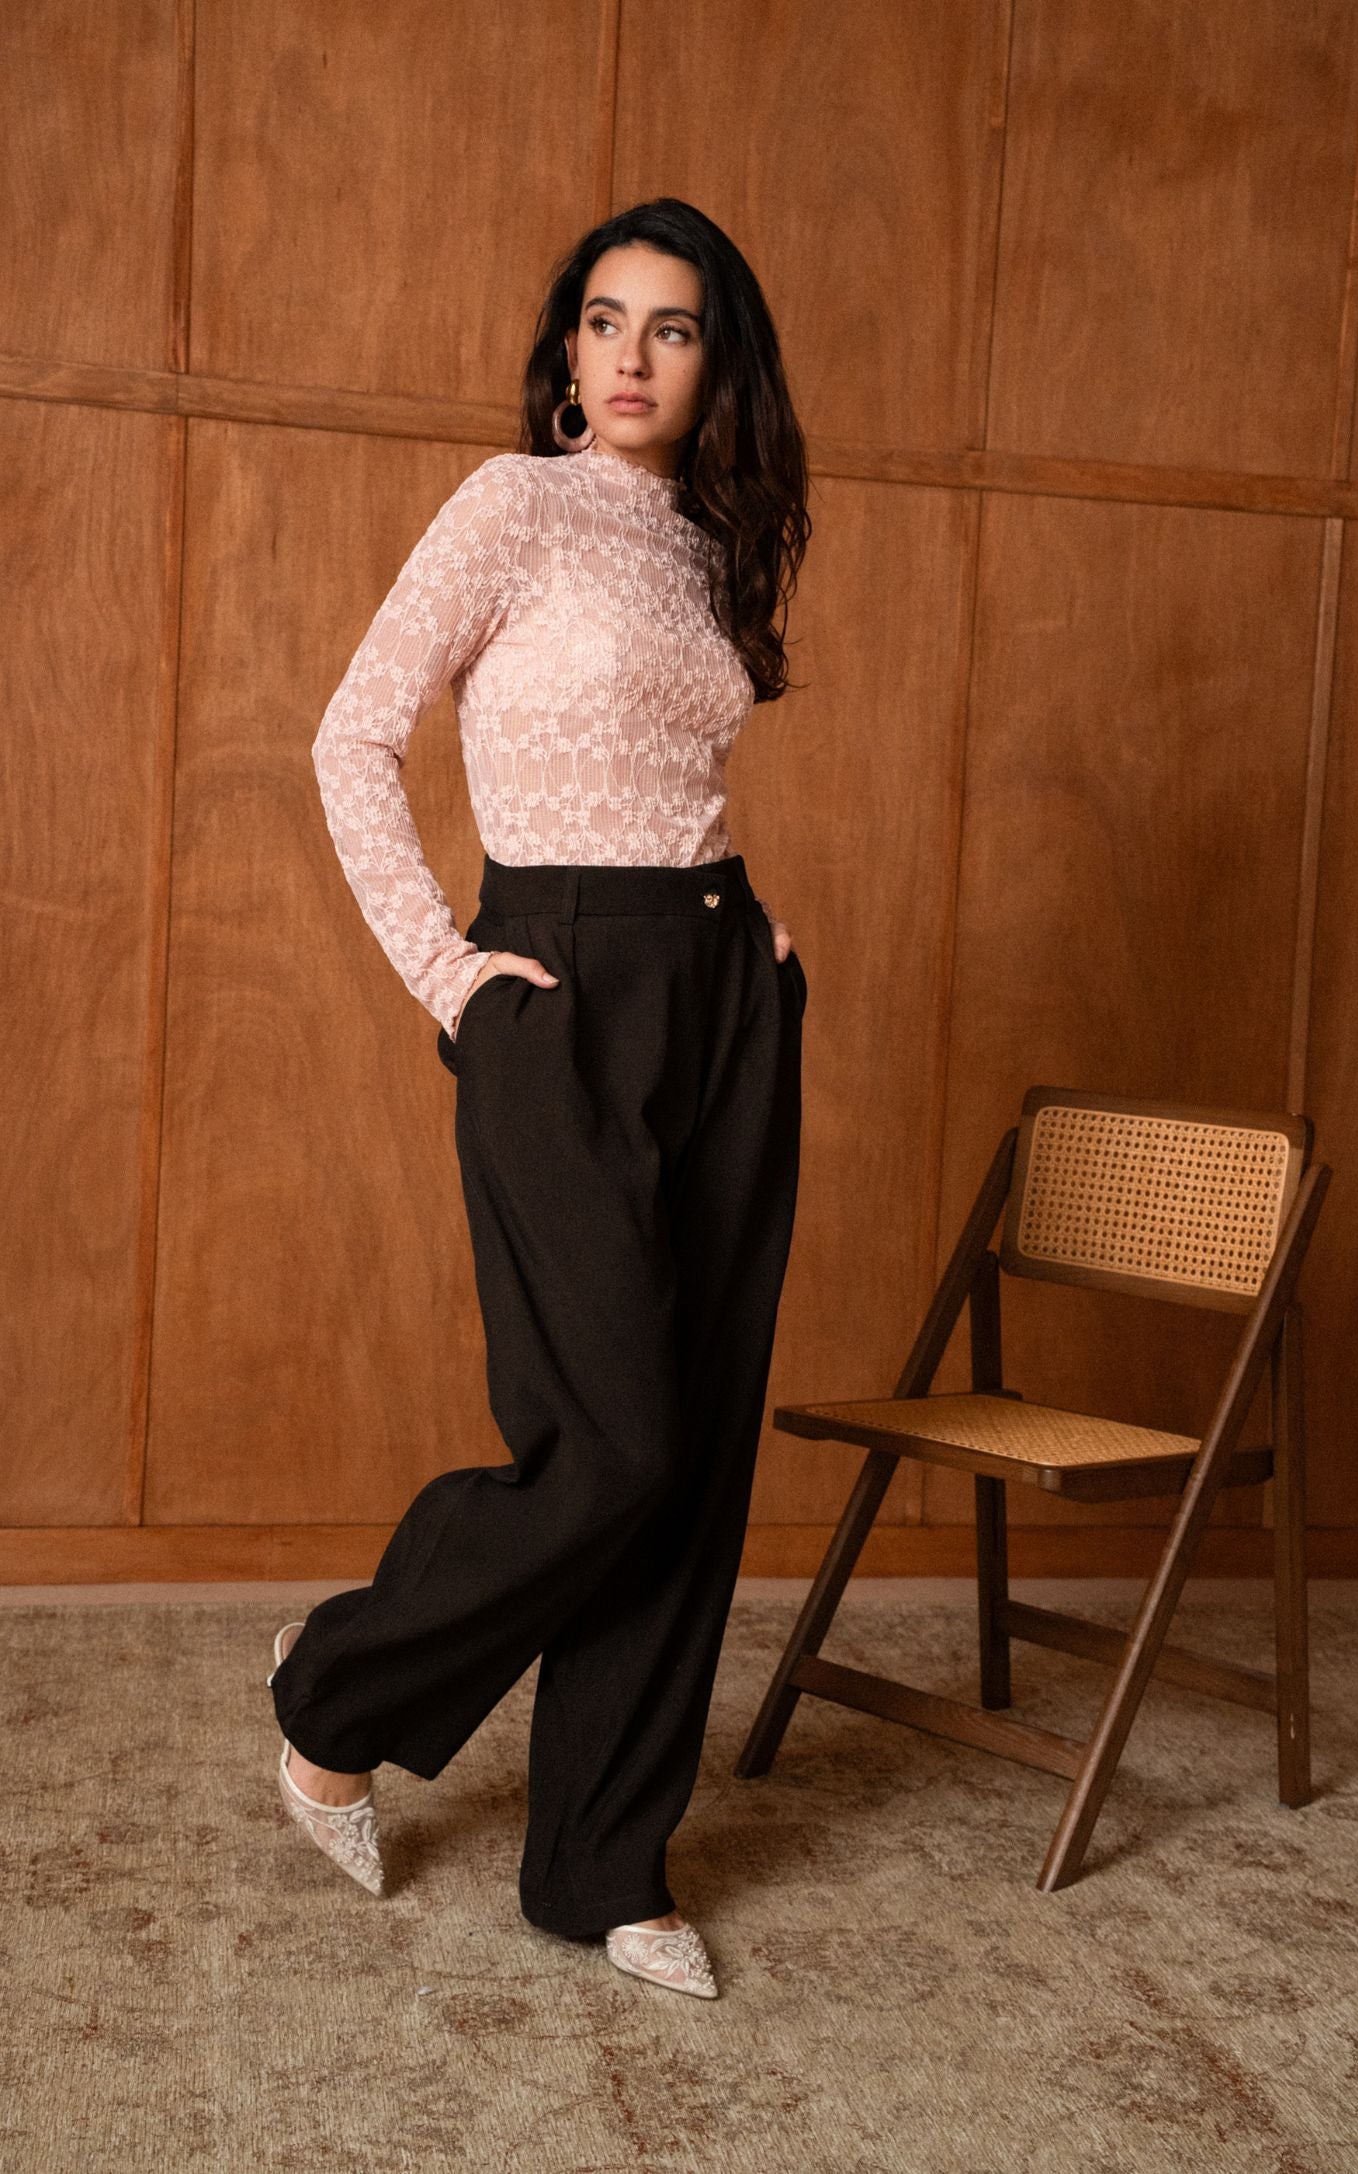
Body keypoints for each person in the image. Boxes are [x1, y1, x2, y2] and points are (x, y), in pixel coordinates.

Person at [266, 197, 812, 2000]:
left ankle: (601, 1860)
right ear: (567, 350)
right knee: (612, 1436)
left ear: (716, 362)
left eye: (672, 327)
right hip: (552, 992)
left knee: (695, 1449)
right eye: (604, 320)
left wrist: (746, 927)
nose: (632, 356)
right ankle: (334, 1693)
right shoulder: (510, 504)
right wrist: (447, 972)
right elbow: (353, 733)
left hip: (718, 986)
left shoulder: (716, 540)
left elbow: (669, 766)